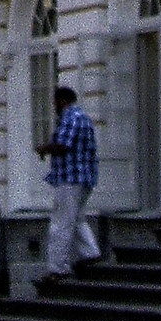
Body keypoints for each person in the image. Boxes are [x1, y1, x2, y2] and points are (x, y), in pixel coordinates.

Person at [37, 84, 101, 281]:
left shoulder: (71, 117)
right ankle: (90, 253)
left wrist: (44, 148)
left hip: (70, 179)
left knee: (61, 223)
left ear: (62, 101)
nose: (54, 106)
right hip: (83, 179)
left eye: (55, 102)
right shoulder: (83, 117)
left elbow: (64, 145)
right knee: (78, 219)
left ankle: (58, 268)